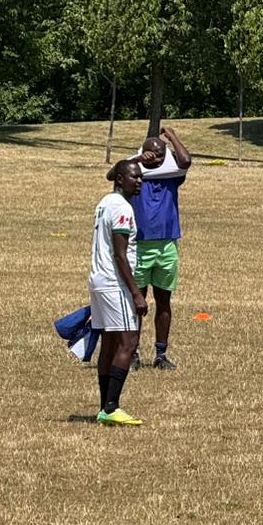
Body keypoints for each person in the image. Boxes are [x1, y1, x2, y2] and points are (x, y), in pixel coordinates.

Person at [129, 125, 192, 370]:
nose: (156, 157)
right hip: (140, 246)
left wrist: (172, 137)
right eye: (151, 153)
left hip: (167, 245)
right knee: (136, 302)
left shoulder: (172, 176)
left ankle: (160, 354)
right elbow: (113, 174)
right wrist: (138, 159)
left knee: (163, 300)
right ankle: (132, 352)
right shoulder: (134, 177)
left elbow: (185, 160)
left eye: (160, 154)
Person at [91, 160, 148, 426]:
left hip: (99, 280)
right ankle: (112, 407)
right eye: (134, 177)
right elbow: (120, 254)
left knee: (109, 344)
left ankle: (105, 407)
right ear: (121, 179)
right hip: (115, 283)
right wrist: (136, 293)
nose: (139, 182)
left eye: (141, 178)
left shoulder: (105, 202)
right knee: (129, 341)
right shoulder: (123, 208)